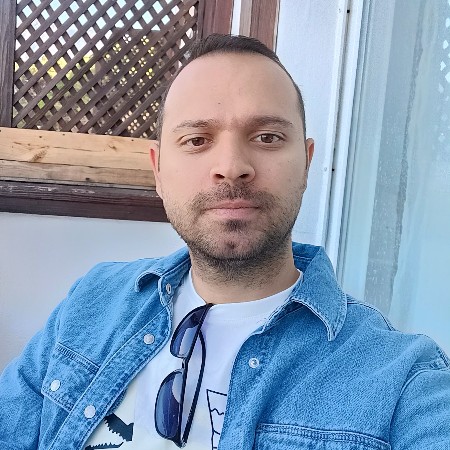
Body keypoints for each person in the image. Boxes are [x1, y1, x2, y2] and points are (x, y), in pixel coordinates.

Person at [1, 34, 449, 450]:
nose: (232, 166)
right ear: (158, 171)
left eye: (267, 137)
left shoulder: (405, 381)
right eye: (197, 139)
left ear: (307, 163)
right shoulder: (92, 301)